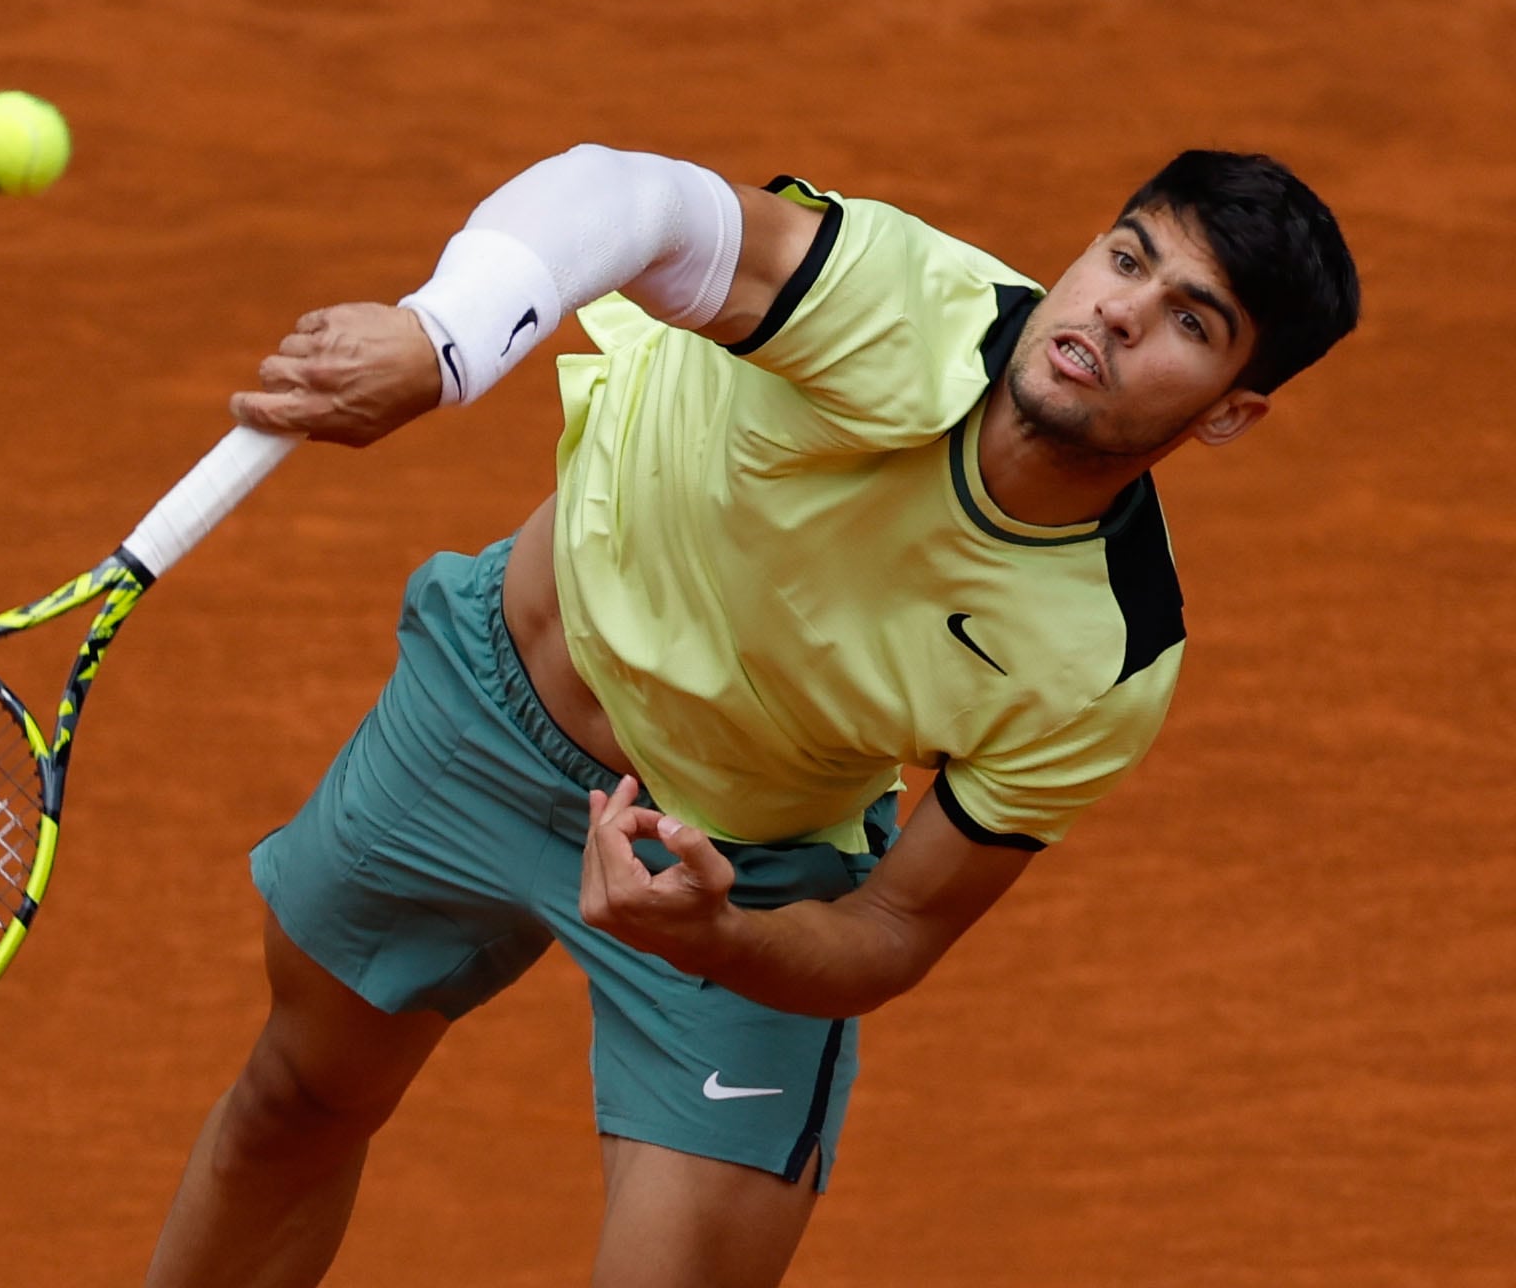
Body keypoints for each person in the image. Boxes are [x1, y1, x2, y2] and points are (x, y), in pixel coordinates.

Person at [143, 143, 1361, 1287]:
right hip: (479, 714)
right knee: (294, 1100)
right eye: (1128, 257)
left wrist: (717, 935)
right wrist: (441, 339)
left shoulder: (1103, 655)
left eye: (1189, 323)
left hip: (736, 862)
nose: (1119, 311)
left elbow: (891, 928)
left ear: (1227, 411)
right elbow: (626, 199)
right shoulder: (894, 301)